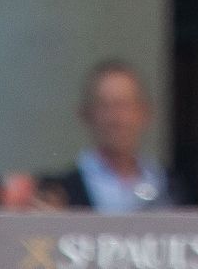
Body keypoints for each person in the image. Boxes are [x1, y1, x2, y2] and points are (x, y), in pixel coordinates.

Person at [43, 60, 175, 210]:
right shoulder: (60, 193)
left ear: (144, 112)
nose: (116, 118)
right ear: (86, 114)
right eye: (105, 106)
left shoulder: (171, 186)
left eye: (124, 106)